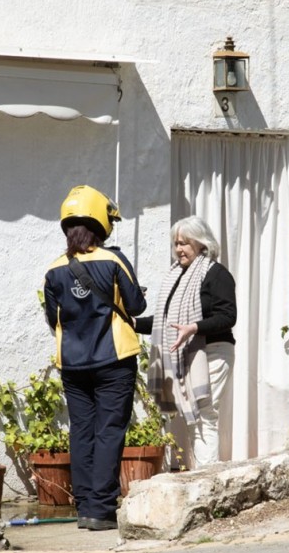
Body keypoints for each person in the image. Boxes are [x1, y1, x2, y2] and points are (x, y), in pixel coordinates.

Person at [43, 184, 146, 531]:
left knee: (82, 431)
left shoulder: (54, 269)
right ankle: (102, 510)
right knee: (109, 430)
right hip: (113, 360)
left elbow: (52, 317)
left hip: (73, 363)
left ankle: (86, 506)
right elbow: (136, 305)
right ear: (102, 223)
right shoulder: (114, 260)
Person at [135, 215, 236, 469]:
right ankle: (201, 472)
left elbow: (228, 316)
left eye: (184, 243)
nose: (179, 249)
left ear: (201, 244)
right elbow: (164, 320)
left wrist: (194, 327)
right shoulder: (177, 277)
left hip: (212, 351)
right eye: (176, 243)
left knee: (205, 412)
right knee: (194, 414)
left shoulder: (216, 274)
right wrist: (133, 323)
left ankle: (207, 477)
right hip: (189, 353)